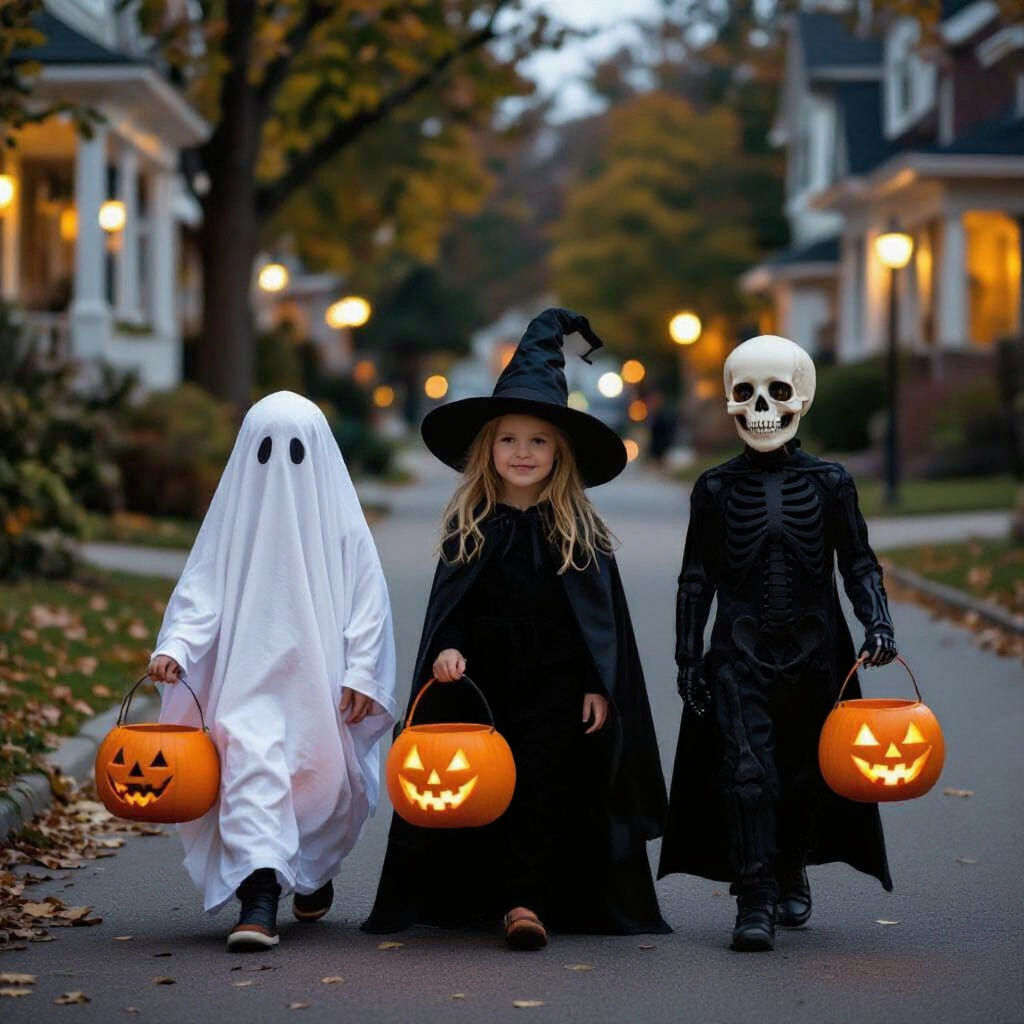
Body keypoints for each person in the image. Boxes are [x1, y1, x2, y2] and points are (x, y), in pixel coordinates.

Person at [363, 308, 669, 949]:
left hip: (556, 682)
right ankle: (491, 893)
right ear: (487, 450)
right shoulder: (469, 527)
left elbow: (600, 624)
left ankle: (525, 903)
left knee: (542, 785)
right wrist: (446, 651)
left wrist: (596, 683)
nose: (522, 453)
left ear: (559, 452)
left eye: (538, 441)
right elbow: (452, 613)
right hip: (483, 679)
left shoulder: (581, 532)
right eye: (508, 440)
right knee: (482, 786)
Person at [658, 335, 898, 952]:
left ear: (802, 400)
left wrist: (879, 623)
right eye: (746, 393)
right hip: (739, 653)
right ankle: (755, 897)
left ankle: (791, 866)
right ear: (731, 403)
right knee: (747, 771)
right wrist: (688, 658)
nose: (761, 406)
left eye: (777, 391)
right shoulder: (713, 489)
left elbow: (859, 564)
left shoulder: (830, 483)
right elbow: (696, 577)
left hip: (819, 654)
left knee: (805, 773)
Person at [147, 391, 396, 951]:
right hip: (246, 680)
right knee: (251, 775)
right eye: (264, 451)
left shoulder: (343, 528)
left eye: (295, 453)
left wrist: (361, 672)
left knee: (320, 783)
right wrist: (179, 647)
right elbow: (201, 591)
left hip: (320, 685)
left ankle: (311, 869)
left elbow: (368, 604)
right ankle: (258, 899)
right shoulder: (232, 524)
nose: (279, 470)